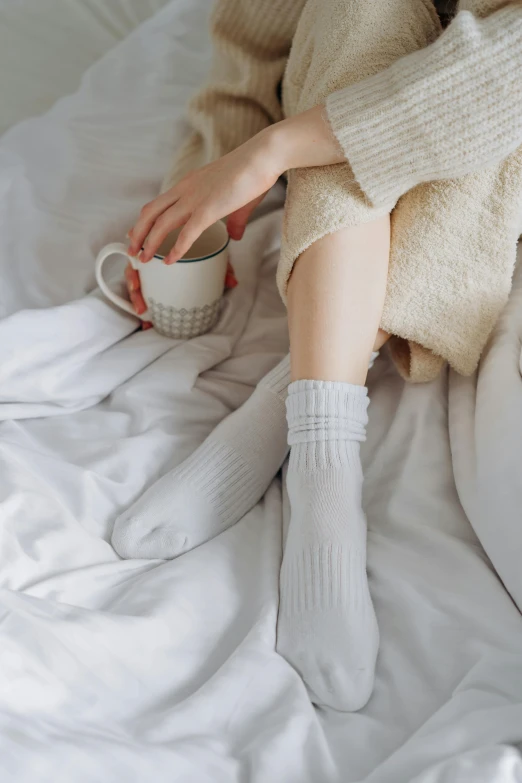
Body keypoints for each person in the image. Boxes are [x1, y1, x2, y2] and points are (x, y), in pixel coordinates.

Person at [112, 0, 522, 711]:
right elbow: (252, 36)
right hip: (356, 62)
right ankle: (324, 429)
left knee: (471, 98)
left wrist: (270, 152)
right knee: (359, 12)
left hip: (498, 119)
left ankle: (307, 433)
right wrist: (211, 177)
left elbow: (504, 76)